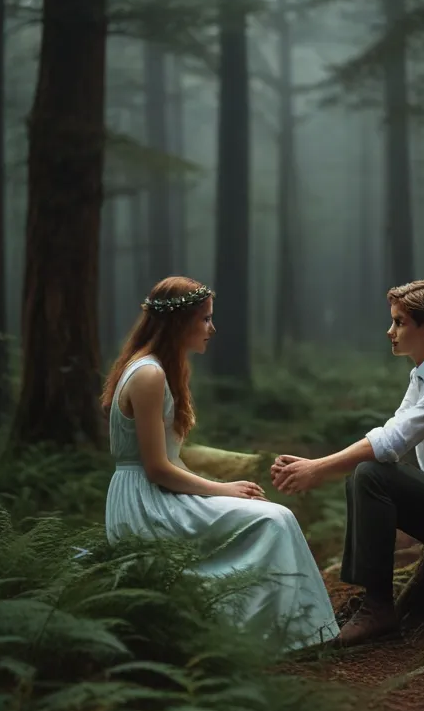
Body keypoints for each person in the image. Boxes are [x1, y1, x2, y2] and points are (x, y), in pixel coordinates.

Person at [271, 280, 424, 648]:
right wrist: (316, 464)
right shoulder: (423, 376)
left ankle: (378, 611)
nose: (391, 331)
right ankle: (370, 600)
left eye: (399, 322)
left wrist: (317, 469)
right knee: (364, 474)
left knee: (371, 474)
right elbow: (390, 434)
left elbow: (390, 444)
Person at [101, 276, 339, 650]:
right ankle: (284, 636)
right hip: (144, 504)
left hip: (154, 493)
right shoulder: (148, 374)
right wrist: (222, 489)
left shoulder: (157, 368)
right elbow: (156, 467)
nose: (212, 328)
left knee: (276, 517)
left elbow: (169, 462)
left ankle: (293, 632)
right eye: (205, 319)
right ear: (180, 322)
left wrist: (215, 494)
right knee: (273, 520)